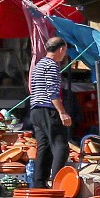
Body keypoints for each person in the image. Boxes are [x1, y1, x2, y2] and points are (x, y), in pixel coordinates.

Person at [25, 36, 72, 189]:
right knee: (61, 145)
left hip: (35, 110)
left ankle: (39, 182)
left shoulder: (39, 64)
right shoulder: (51, 65)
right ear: (61, 49)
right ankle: (57, 182)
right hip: (47, 108)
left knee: (44, 146)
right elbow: (52, 91)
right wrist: (62, 112)